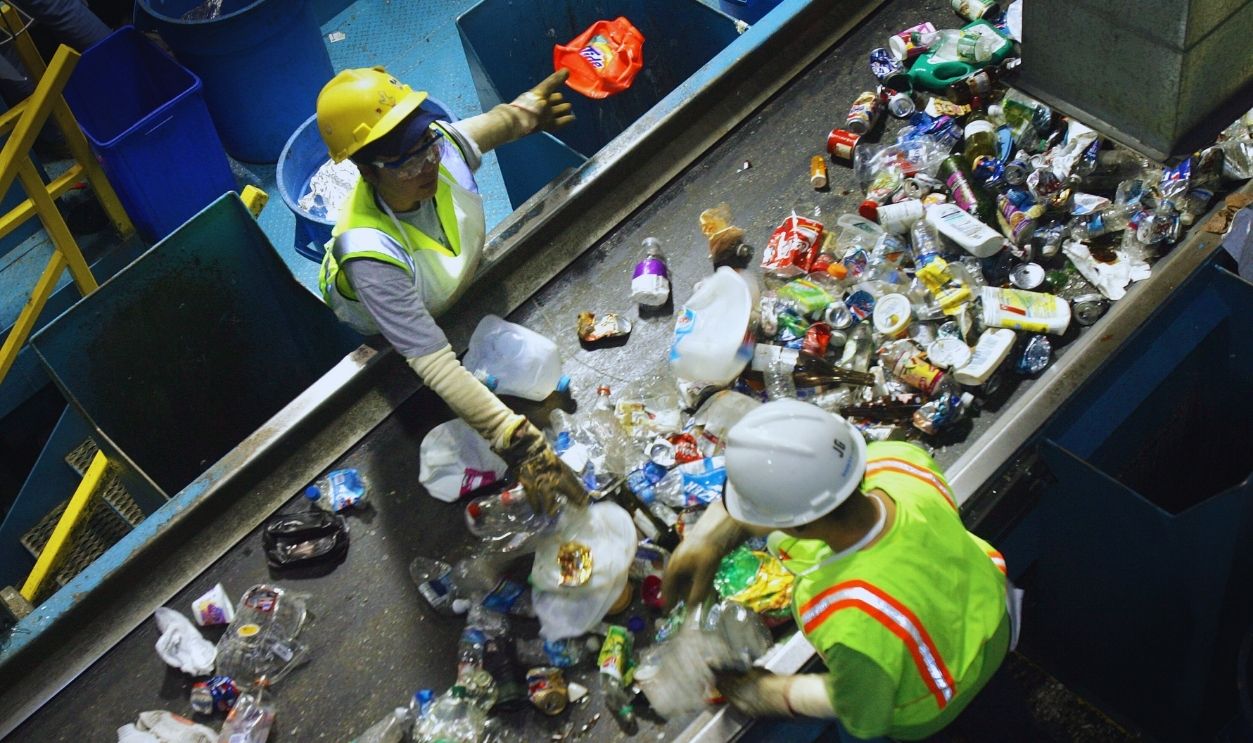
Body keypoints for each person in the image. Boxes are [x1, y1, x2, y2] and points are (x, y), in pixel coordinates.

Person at [663, 399, 1014, 741]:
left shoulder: (850, 614)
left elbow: (865, 714)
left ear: (796, 527)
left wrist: (771, 692)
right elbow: (811, 480)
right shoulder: (899, 462)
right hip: (992, 617)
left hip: (935, 698)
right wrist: (708, 540)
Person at [314, 66, 582, 514]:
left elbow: (505, 120)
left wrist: (529, 109)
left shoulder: (443, 149)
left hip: (448, 295)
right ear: (366, 170)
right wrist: (517, 441)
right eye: (407, 161)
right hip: (390, 329)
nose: (429, 164)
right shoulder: (368, 253)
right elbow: (435, 364)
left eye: (427, 144)